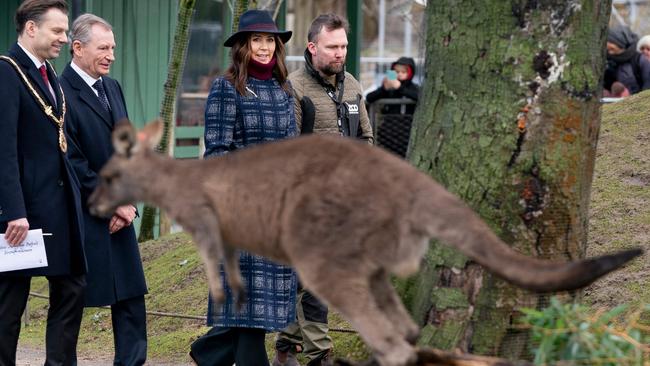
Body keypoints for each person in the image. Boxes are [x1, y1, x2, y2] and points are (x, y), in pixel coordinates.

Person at [188, 9, 298, 366]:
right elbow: (217, 153)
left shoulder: (284, 88)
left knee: (262, 309)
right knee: (250, 309)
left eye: (270, 40)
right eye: (257, 40)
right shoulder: (226, 87)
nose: (264, 47)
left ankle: (208, 353)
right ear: (242, 46)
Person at [273, 13, 373, 366]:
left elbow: (366, 138)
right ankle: (319, 354)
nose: (340, 53)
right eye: (333, 47)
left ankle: (286, 345)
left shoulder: (355, 87)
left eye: (344, 46)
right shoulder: (294, 89)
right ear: (313, 47)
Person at [0, 1, 87, 365]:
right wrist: (12, 211)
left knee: (72, 287)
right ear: (31, 29)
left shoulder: (49, 74)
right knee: (8, 303)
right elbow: (3, 146)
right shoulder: (6, 71)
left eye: (66, 31)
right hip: (23, 213)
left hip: (58, 207)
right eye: (57, 31)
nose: (65, 39)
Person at [60, 14, 148, 366]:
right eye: (103, 47)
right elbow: (73, 160)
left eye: (113, 47)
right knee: (72, 303)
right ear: (77, 48)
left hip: (120, 212)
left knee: (131, 300)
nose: (111, 55)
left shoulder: (112, 87)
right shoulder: (61, 91)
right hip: (84, 214)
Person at [366, 57, 419, 157]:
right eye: (396, 71)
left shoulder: (413, 87)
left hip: (406, 130)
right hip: (388, 131)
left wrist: (399, 88)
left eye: (403, 72)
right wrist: (384, 89)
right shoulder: (389, 87)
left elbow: (417, 96)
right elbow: (369, 98)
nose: (399, 74)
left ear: (410, 73)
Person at [604, 25, 650, 95]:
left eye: (612, 49)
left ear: (621, 45)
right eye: (608, 50)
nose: (610, 53)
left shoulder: (639, 60)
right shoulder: (610, 63)